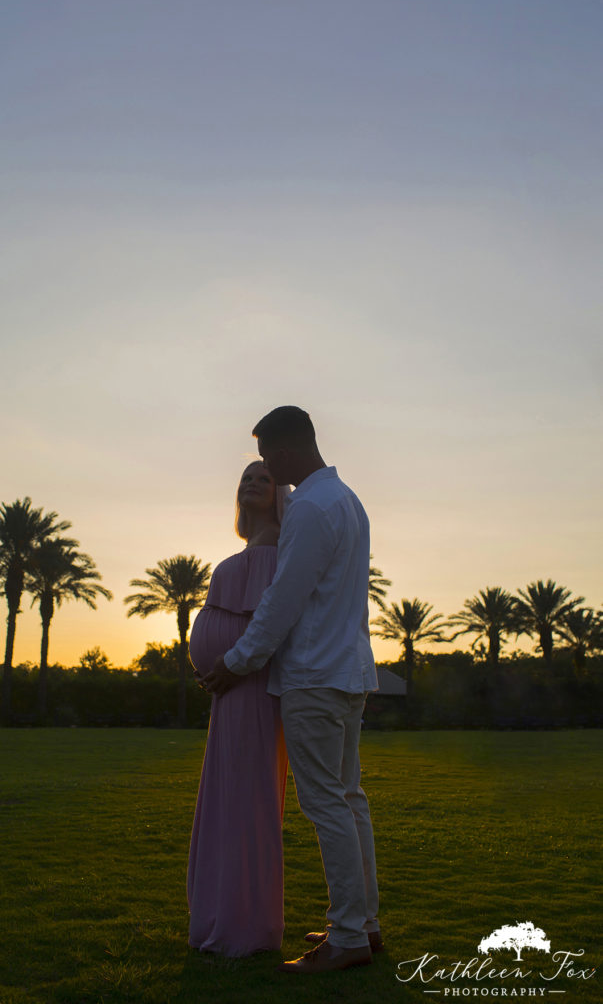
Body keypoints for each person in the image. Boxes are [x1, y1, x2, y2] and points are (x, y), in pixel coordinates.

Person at [203, 406, 381, 974]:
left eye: (265, 458)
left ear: (282, 453)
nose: (263, 468)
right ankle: (365, 923)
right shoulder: (348, 501)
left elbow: (285, 599)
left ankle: (348, 935)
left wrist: (236, 661)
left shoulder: (309, 507)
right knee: (350, 800)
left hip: (314, 676)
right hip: (348, 673)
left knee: (327, 802)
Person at [187, 460, 289, 956]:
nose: (251, 483)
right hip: (227, 695)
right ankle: (218, 912)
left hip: (250, 691)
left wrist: (225, 659)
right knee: (227, 799)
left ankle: (247, 925)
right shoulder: (245, 553)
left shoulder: (278, 557)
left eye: (263, 478)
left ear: (279, 495)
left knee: (248, 801)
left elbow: (268, 630)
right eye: (245, 478)